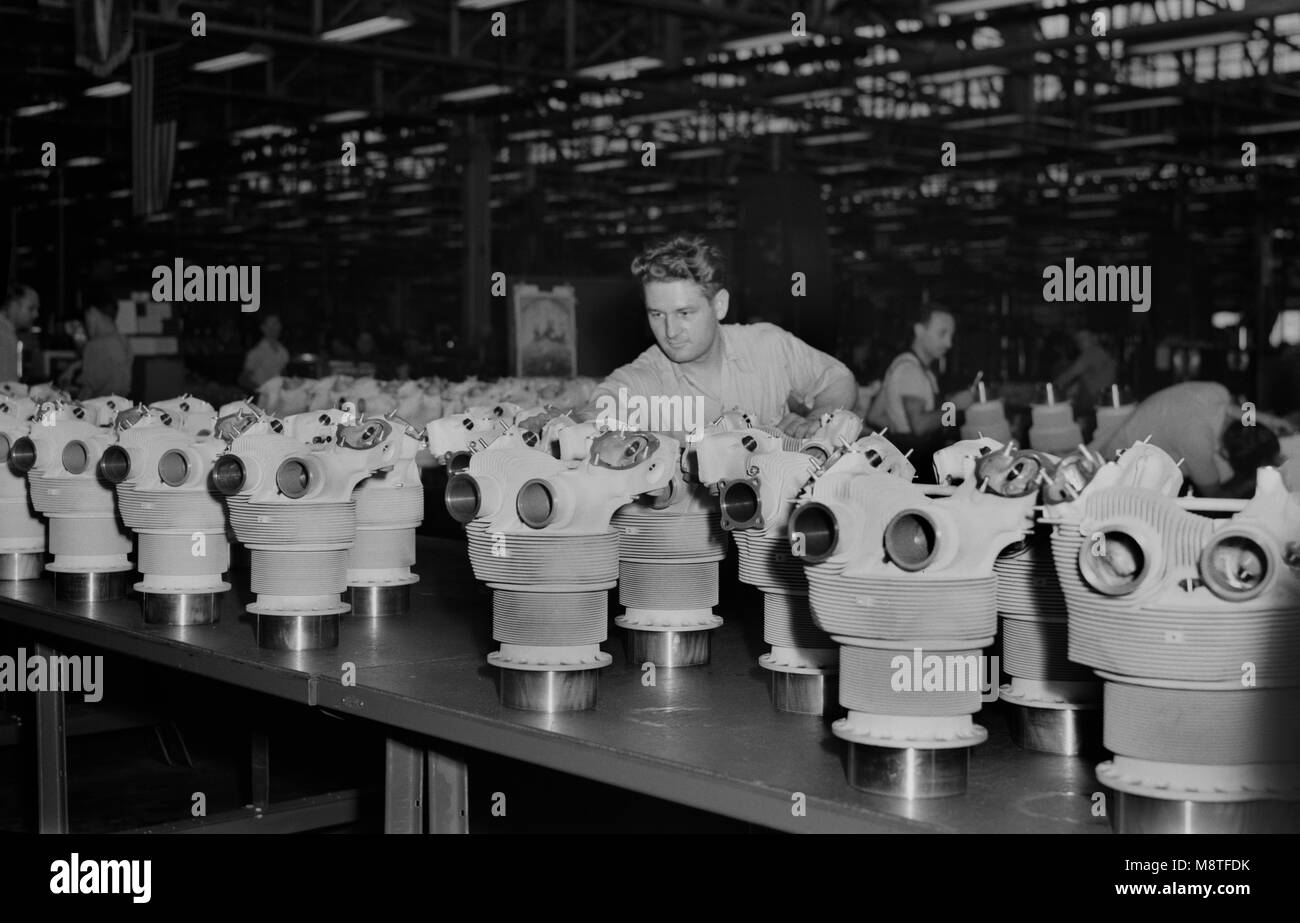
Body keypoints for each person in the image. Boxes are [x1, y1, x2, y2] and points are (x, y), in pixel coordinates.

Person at [583, 235, 857, 437]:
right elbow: (598, 412)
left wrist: (818, 418)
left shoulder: (768, 346)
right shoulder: (643, 380)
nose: (670, 331)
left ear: (719, 305)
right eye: (657, 314)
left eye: (684, 313)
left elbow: (838, 378)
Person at [1089, 381, 1293, 498]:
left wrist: (1269, 420)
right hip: (1119, 473)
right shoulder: (1197, 442)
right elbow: (1213, 496)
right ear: (1225, 453)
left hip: (1124, 436)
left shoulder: (1216, 392)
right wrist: (1253, 480)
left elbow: (1231, 409)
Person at [866, 304, 977, 478]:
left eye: (951, 335)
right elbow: (920, 427)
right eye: (942, 333)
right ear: (919, 330)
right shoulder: (911, 371)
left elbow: (874, 416)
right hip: (917, 465)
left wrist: (900, 430)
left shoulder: (903, 364)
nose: (949, 343)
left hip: (904, 461)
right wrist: (954, 406)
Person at [1053, 327, 1117, 413]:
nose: (1080, 342)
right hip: (1106, 398)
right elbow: (1090, 378)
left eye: (1084, 338)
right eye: (1078, 340)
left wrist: (1052, 388)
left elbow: (1070, 374)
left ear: (1094, 338)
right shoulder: (1100, 351)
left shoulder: (1091, 352)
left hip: (1097, 401)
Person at [78, 301, 133, 399]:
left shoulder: (94, 346)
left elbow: (88, 389)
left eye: (86, 316)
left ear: (93, 312)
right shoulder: (123, 340)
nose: (86, 322)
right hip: (121, 404)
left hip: (97, 405)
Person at [239, 313, 290, 391]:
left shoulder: (283, 351)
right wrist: (261, 390)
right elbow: (243, 379)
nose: (278, 326)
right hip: (261, 396)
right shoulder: (256, 353)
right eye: (274, 324)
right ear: (263, 328)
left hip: (278, 395)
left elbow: (283, 375)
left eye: (278, 323)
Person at [0, 284, 39, 382]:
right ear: (14, 306)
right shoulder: (4, 334)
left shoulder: (7, 331)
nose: (36, 314)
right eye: (31, 308)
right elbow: (7, 384)